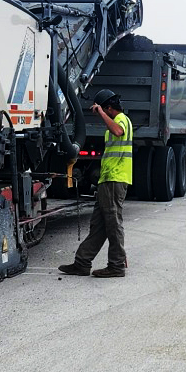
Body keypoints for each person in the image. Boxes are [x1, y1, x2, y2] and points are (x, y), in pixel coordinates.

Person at [59, 90, 134, 278]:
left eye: (102, 110)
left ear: (108, 108)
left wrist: (101, 113)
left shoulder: (122, 120)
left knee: (113, 222)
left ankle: (116, 265)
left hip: (115, 180)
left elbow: (118, 131)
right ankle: (82, 263)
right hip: (107, 179)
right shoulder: (118, 121)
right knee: (99, 225)